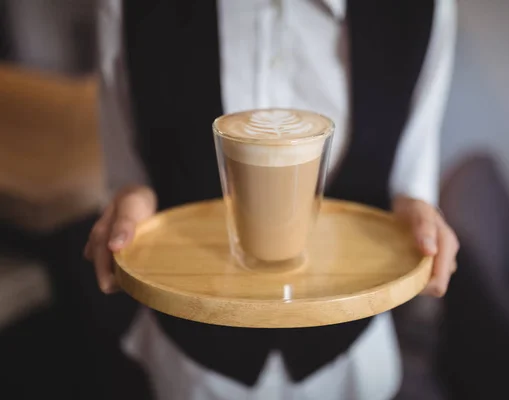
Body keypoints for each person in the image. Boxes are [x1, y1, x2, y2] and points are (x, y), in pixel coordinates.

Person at [85, 0, 459, 399]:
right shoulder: (126, 7)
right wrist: (129, 203)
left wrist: (420, 213)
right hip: (194, 360)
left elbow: (410, 176)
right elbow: (128, 173)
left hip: (350, 354)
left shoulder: (426, 8)